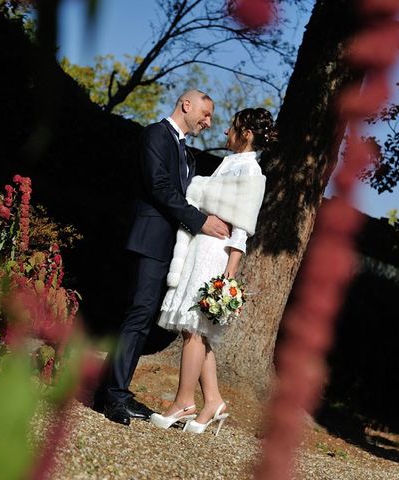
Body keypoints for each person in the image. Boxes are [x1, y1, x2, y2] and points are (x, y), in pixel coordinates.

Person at [99, 90, 232, 426]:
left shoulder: (187, 153)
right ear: (185, 105)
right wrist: (200, 221)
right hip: (148, 241)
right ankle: (112, 395)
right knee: (138, 315)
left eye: (211, 117)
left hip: (169, 249)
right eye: (205, 112)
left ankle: (115, 389)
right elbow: (159, 186)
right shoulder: (156, 135)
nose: (208, 121)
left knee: (142, 320)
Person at [149, 107, 276, 435]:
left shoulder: (250, 171)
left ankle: (183, 401)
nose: (225, 133)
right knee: (197, 331)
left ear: (246, 134)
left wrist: (228, 277)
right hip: (200, 250)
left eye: (232, 128)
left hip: (215, 258)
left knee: (193, 327)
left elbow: (241, 228)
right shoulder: (232, 163)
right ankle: (214, 401)